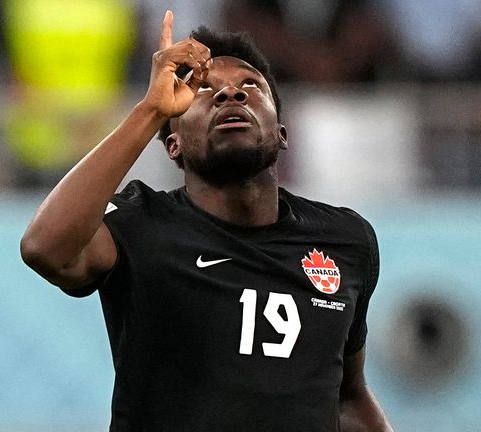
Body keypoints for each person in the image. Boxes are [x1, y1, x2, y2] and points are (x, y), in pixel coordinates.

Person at [20, 10, 393, 431]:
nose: (229, 95)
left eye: (250, 86)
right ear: (173, 144)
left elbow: (348, 397)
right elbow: (45, 248)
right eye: (202, 90)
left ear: (282, 134)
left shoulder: (345, 240)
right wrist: (150, 110)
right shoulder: (141, 224)